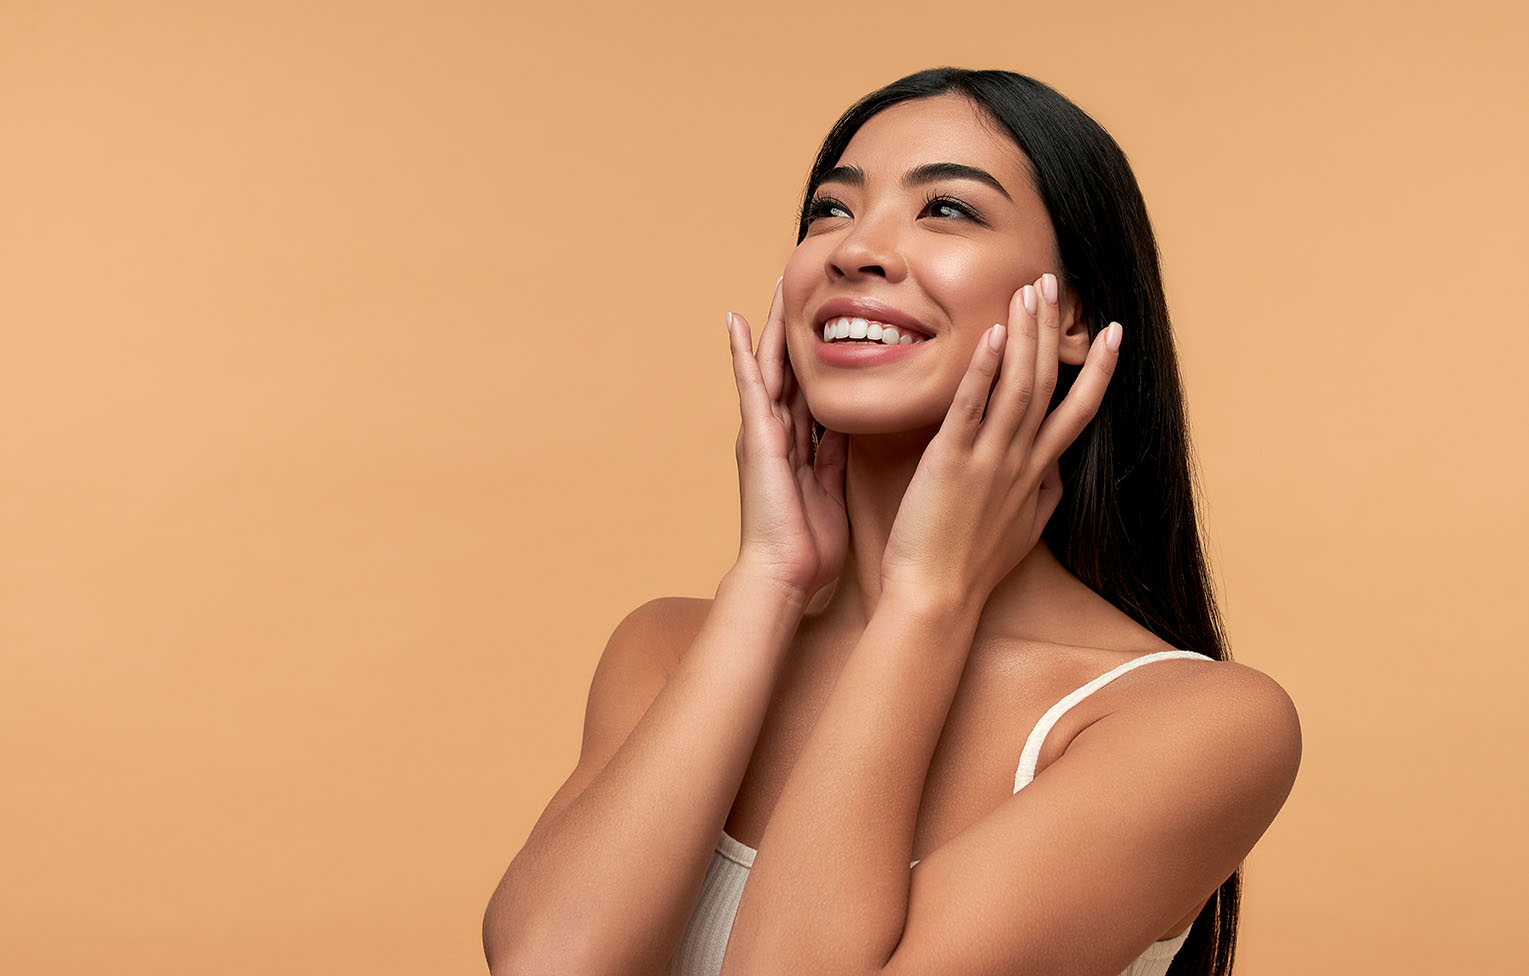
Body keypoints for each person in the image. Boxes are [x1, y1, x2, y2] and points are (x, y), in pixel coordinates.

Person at [482, 67, 1301, 976]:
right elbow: (549, 965)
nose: (853, 250)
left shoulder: (1192, 726)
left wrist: (928, 601)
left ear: (1072, 314)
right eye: (829, 211)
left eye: (946, 208)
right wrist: (770, 577)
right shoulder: (670, 648)